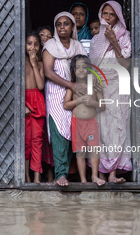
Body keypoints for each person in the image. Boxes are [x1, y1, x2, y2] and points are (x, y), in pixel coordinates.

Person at [89, 1, 132, 183]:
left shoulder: (124, 37)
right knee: (101, 129)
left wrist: (114, 41)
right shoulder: (96, 39)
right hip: (101, 88)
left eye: (111, 14)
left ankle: (113, 173)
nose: (106, 17)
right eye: (104, 13)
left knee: (118, 127)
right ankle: (100, 174)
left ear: (118, 17)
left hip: (118, 87)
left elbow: (126, 64)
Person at [43, 12, 87, 186]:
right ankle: (60, 174)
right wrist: (70, 84)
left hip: (75, 94)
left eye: (66, 24)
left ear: (72, 27)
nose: (62, 27)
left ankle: (71, 173)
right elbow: (48, 72)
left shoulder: (78, 46)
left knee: (73, 130)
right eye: (59, 24)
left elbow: (87, 67)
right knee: (59, 131)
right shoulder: (50, 46)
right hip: (55, 94)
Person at [63, 54, 106, 186]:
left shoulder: (95, 85)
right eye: (77, 67)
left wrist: (93, 102)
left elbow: (103, 106)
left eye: (84, 67)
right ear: (73, 71)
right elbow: (66, 105)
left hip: (91, 122)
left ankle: (94, 176)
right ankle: (83, 180)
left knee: (94, 149)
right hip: (77, 123)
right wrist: (80, 100)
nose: (81, 70)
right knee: (80, 152)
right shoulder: (73, 87)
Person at [25, 32, 46, 183]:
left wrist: (34, 64)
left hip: (37, 101)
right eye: (29, 43)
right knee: (26, 142)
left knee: (37, 141)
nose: (33, 47)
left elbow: (40, 85)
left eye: (36, 44)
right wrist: (22, 105)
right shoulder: (20, 62)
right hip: (25, 102)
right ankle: (25, 176)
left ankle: (37, 178)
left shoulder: (39, 64)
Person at [37, 25, 55, 182]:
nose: (45, 38)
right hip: (37, 99)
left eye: (49, 36)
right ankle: (44, 174)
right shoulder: (35, 58)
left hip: (52, 97)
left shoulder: (54, 54)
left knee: (51, 136)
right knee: (40, 138)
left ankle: (51, 174)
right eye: (42, 35)